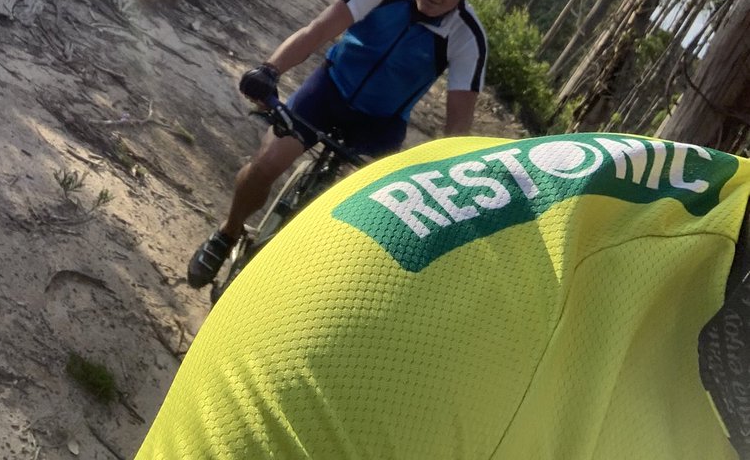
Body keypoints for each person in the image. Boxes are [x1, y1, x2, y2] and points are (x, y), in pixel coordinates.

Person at [138, 130, 750, 459]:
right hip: (348, 104)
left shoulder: (464, 36)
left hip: (394, 155)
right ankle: (226, 233)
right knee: (276, 155)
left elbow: (460, 111)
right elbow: (325, 31)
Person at [187, 0, 491, 289]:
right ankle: (227, 232)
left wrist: (443, 177)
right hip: (329, 91)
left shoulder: (467, 37)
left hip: (381, 124)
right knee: (266, 164)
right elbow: (317, 31)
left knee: (353, 226)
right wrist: (270, 71)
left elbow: (457, 129)